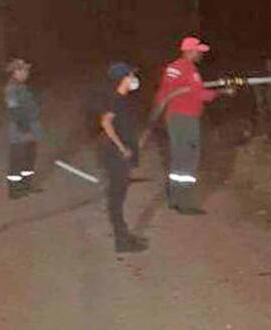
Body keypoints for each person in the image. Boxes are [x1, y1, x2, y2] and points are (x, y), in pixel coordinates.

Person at [154, 36, 233, 215]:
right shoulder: (187, 69)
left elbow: (164, 92)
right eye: (199, 51)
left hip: (176, 117)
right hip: (185, 119)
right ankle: (185, 203)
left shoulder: (174, 68)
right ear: (189, 51)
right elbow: (199, 94)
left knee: (179, 158)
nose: (201, 55)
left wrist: (164, 114)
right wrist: (222, 92)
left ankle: (176, 199)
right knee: (188, 158)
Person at [99, 62, 148, 253]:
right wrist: (122, 148)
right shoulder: (116, 99)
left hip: (119, 156)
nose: (133, 79)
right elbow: (106, 123)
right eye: (130, 75)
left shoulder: (124, 99)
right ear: (122, 79)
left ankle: (124, 236)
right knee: (116, 199)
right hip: (115, 157)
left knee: (118, 197)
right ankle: (122, 241)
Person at [3, 58, 41, 199]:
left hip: (30, 128)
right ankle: (14, 191)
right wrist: (24, 128)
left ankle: (26, 187)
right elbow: (14, 110)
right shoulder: (12, 88)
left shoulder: (22, 86)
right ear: (16, 72)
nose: (27, 73)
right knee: (17, 160)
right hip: (21, 130)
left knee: (29, 159)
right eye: (24, 70)